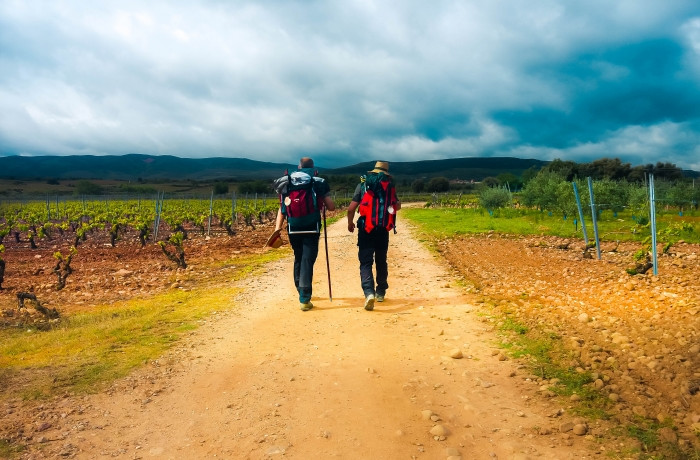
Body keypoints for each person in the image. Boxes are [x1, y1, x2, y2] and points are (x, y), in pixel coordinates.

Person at [274, 157, 335, 311]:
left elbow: (282, 210)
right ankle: (304, 297)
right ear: (313, 166)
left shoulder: (288, 181)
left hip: (293, 227)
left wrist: (277, 229)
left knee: (299, 256)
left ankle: (299, 287)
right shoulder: (318, 181)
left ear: (299, 166)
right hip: (312, 226)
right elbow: (331, 207)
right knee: (308, 259)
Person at [346, 161, 401, 311]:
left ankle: (369, 292)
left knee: (365, 262)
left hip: (366, 228)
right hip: (383, 228)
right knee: (381, 260)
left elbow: (351, 208)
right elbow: (398, 205)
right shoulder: (390, 186)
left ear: (373, 172)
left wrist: (350, 223)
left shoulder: (363, 185)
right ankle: (381, 291)